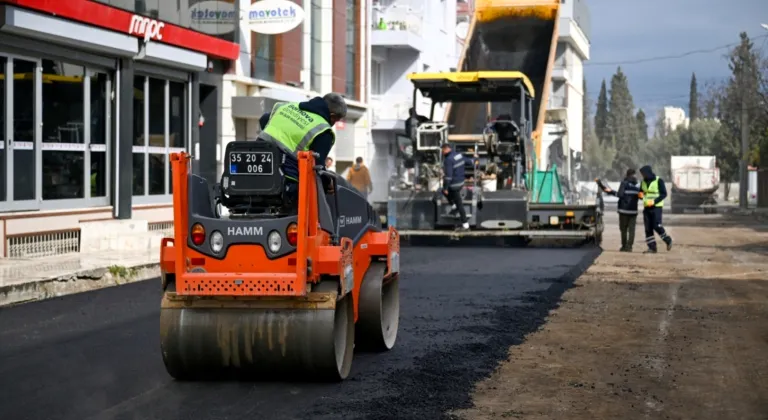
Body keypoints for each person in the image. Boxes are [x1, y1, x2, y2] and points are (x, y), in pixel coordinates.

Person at [258, 93, 347, 201]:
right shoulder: (323, 131)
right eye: (336, 120)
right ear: (332, 116)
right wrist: (328, 183)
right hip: (286, 181)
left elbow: (264, 119)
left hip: (258, 165)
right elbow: (318, 167)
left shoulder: (287, 107)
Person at [602, 169, 642, 252]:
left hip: (623, 211)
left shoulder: (624, 183)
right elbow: (641, 197)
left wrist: (611, 192)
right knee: (632, 230)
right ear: (634, 175)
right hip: (633, 211)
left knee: (623, 229)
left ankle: (624, 246)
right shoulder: (638, 185)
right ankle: (629, 247)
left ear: (627, 175)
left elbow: (620, 194)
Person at [639, 165, 673, 253]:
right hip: (646, 208)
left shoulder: (659, 180)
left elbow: (664, 194)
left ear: (648, 172)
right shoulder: (643, 182)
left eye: (643, 173)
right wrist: (640, 195)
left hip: (656, 207)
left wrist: (654, 201)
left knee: (656, 225)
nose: (642, 175)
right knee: (648, 228)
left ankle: (667, 239)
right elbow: (641, 192)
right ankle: (652, 247)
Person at [441, 143, 469, 230]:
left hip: (455, 185)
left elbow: (448, 177)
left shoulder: (448, 160)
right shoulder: (458, 155)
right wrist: (475, 159)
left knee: (459, 204)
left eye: (442, 150)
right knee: (443, 190)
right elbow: (468, 161)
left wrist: (446, 188)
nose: (442, 152)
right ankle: (454, 205)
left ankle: (465, 224)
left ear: (446, 149)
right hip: (461, 182)